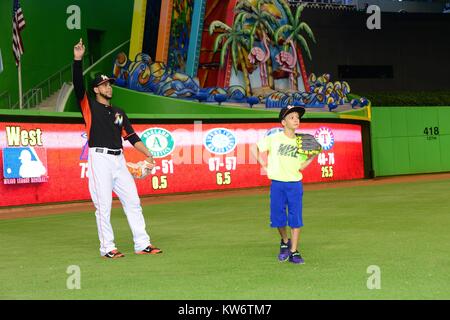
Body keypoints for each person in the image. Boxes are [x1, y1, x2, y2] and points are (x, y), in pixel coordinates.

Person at [72, 38, 162, 259]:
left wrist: (148, 153)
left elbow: (131, 136)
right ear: (96, 89)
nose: (108, 87)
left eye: (109, 84)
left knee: (133, 201)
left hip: (119, 160)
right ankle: (107, 248)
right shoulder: (89, 106)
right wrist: (77, 59)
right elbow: (77, 85)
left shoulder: (119, 112)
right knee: (103, 206)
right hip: (99, 159)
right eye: (104, 84)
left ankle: (142, 244)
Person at [251, 105, 318, 264]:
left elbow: (305, 161)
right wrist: (263, 164)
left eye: (297, 117)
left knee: (296, 218)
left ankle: (294, 251)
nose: (296, 120)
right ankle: (285, 241)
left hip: (295, 184)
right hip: (277, 184)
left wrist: (310, 158)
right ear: (283, 122)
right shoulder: (274, 138)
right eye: (291, 117)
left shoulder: (303, 141)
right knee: (278, 219)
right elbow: (254, 148)